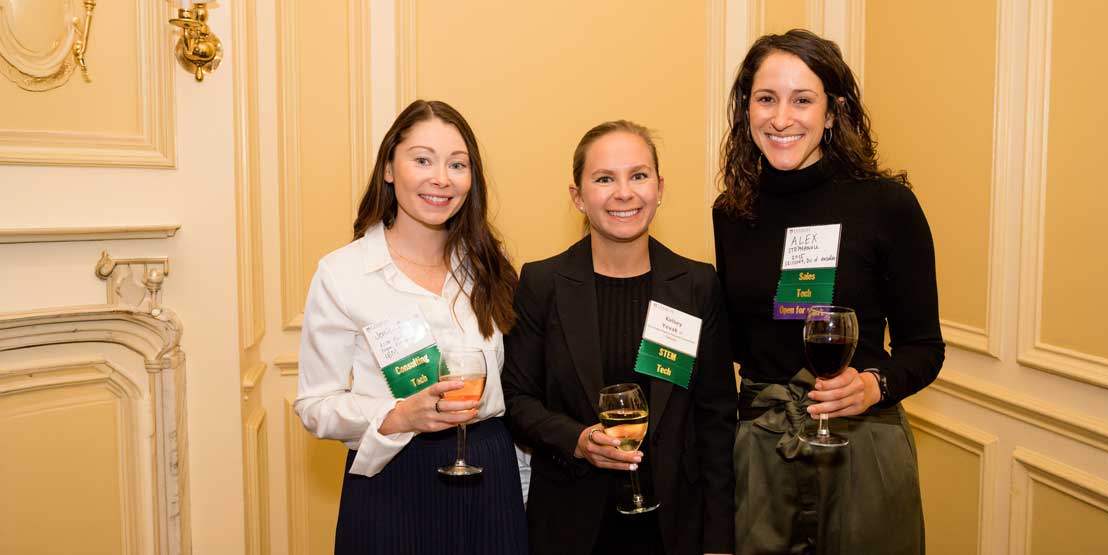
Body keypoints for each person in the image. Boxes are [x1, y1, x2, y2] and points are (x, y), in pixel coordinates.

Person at [712, 29, 945, 554]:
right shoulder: (732, 213)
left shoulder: (887, 205)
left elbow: (925, 348)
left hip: (862, 445)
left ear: (834, 112)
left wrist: (872, 385)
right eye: (766, 99)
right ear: (746, 111)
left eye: (802, 100)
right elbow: (738, 341)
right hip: (762, 448)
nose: (781, 118)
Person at [294, 99, 527, 554]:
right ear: (388, 168)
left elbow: (515, 389)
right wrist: (398, 416)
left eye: (457, 164)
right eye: (422, 160)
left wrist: (524, 487)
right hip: (395, 478)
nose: (441, 178)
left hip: (490, 477)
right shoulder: (343, 273)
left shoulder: (489, 267)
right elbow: (315, 404)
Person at [502, 120, 737, 555]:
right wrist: (577, 440)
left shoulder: (697, 286)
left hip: (674, 526)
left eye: (638, 175)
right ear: (578, 196)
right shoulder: (542, 283)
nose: (624, 192)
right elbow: (517, 401)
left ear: (660, 188)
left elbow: (717, 420)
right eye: (604, 179)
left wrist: (719, 542)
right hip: (571, 523)